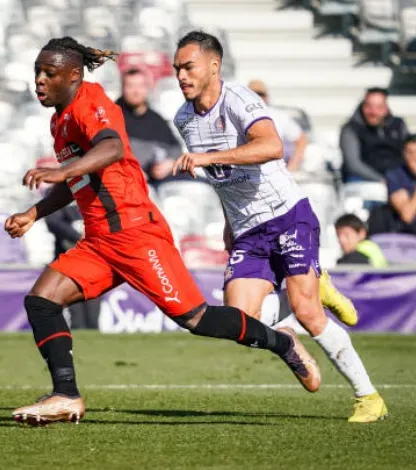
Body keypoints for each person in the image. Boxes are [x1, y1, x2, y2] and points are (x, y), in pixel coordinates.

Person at [4, 36, 320, 425]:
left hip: (137, 235)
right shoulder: (60, 119)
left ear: (72, 75)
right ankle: (65, 395)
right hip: (101, 242)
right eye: (37, 72)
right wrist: (35, 212)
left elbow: (113, 147)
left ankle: (281, 342)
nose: (39, 80)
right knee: (42, 301)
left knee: (197, 319)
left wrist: (63, 169)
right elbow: (79, 180)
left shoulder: (93, 103)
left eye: (48, 73)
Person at [171, 31, 387, 422]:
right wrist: (227, 220)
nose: (181, 76)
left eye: (189, 67)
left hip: (287, 213)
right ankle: (291, 328)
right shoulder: (183, 119)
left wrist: (207, 158)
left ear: (213, 66)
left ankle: (368, 397)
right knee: (240, 319)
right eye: (176, 69)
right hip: (248, 229)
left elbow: (272, 147)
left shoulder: (239, 99)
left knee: (308, 311)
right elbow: (222, 176)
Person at [115, 68, 182, 186]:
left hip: (158, 182)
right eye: (130, 86)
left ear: (148, 87)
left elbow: (176, 148)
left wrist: (169, 163)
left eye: (141, 85)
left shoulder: (156, 119)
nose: (136, 91)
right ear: (122, 88)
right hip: (123, 182)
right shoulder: (110, 116)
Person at [45, 201, 101, 329]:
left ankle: (94, 343)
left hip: (94, 263)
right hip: (69, 263)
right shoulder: (59, 193)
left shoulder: (96, 192)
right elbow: (53, 221)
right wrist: (77, 236)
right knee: (76, 315)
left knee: (93, 315)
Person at [339, 87, 409, 183]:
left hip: (396, 178)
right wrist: (382, 180)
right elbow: (353, 164)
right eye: (368, 106)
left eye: (379, 107)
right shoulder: (351, 129)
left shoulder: (398, 125)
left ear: (386, 108)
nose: (373, 112)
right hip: (364, 180)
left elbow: (410, 153)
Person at [247, 79, 307, 173]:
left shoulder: (278, 116)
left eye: (261, 94)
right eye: (254, 94)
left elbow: (301, 140)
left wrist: (291, 167)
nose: (258, 98)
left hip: (274, 171)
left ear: (267, 97)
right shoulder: (234, 116)